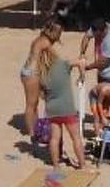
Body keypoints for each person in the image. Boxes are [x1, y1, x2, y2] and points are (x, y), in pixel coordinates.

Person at [35, 31, 83, 169]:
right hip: (66, 107)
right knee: (76, 137)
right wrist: (82, 76)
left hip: (52, 108)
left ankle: (56, 165)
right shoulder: (63, 64)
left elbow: (42, 96)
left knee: (54, 139)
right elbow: (81, 62)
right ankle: (83, 165)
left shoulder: (42, 73)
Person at [20, 17, 61, 147]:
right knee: (31, 104)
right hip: (31, 73)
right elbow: (56, 59)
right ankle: (32, 133)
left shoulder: (40, 39)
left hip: (29, 72)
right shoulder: (45, 42)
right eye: (58, 32)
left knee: (34, 103)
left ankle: (35, 129)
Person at [80, 19, 110, 98]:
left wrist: (87, 67)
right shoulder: (97, 27)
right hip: (101, 73)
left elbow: (104, 63)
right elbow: (87, 36)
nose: (95, 36)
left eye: (98, 35)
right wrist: (82, 53)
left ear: (103, 31)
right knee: (101, 98)